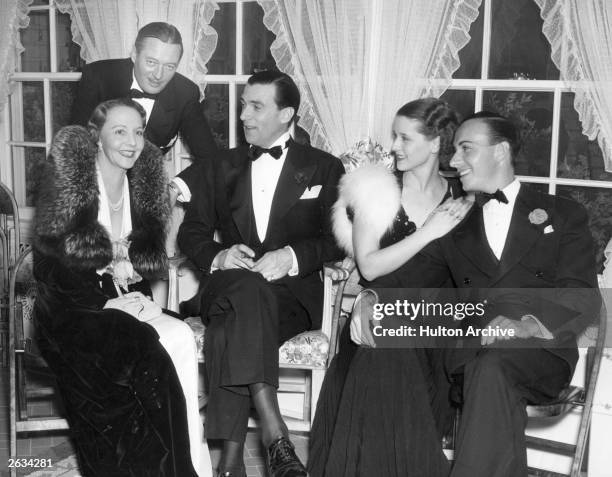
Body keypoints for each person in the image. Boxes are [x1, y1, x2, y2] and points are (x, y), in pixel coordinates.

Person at [390, 111, 600, 477]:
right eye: (453, 151)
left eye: (465, 149)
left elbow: (581, 296)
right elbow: (412, 279)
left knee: (491, 370)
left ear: (501, 151)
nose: (454, 162)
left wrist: (528, 326)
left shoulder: (562, 213)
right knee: (485, 368)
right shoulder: (453, 224)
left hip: (542, 355)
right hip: (471, 354)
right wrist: (370, 295)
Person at [177, 70, 345, 477]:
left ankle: (230, 462)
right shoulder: (220, 165)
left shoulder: (324, 167)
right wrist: (219, 255)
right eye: (242, 105)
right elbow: (192, 231)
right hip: (226, 286)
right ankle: (276, 435)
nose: (244, 116)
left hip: (289, 298)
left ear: (287, 114)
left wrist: (291, 255)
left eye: (256, 106)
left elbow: (338, 240)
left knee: (239, 320)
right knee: (245, 292)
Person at [33, 98, 212, 477]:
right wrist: (108, 305)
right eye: (119, 131)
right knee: (139, 346)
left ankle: (191, 466)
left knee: (179, 334)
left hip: (120, 302)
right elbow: (50, 269)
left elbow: (141, 271)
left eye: (138, 131)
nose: (131, 141)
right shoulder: (67, 184)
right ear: (96, 137)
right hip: (69, 308)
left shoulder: (142, 187)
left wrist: (139, 296)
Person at [308, 98, 471, 477]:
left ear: (435, 144)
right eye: (393, 136)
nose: (394, 147)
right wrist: (430, 232)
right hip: (378, 317)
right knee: (386, 343)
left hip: (433, 325)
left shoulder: (460, 199)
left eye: (405, 138)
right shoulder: (376, 188)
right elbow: (368, 264)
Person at [71, 21, 217, 202]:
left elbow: (210, 159)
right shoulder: (98, 76)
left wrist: (175, 188)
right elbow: (74, 145)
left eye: (169, 66)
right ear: (134, 54)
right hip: (93, 189)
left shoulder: (185, 93)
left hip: (146, 196)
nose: (158, 75)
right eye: (151, 62)